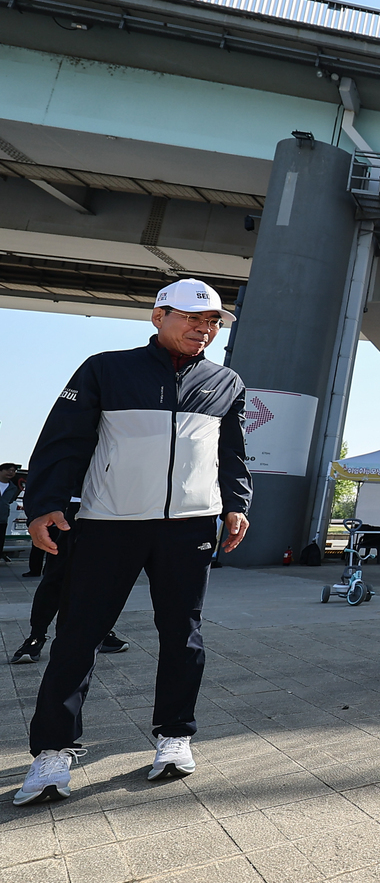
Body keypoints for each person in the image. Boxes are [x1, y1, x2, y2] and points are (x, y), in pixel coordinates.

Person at [16, 278, 251, 806]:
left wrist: (236, 503)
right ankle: (52, 752)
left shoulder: (226, 382)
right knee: (78, 635)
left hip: (190, 525)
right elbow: (64, 438)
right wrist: (44, 503)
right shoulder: (105, 369)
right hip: (109, 522)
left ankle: (175, 737)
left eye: (212, 321)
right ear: (158, 316)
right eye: (192, 318)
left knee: (183, 634)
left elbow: (232, 451)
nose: (204, 328)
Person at [10, 498, 129, 665]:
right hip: (72, 508)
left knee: (101, 579)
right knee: (56, 577)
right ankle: (36, 635)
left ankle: (100, 633)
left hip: (110, 511)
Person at [0, 463, 22, 563]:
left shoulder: (13, 488)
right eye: (8, 470)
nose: (11, 472)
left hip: (2, 519)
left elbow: (10, 500)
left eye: (13, 471)